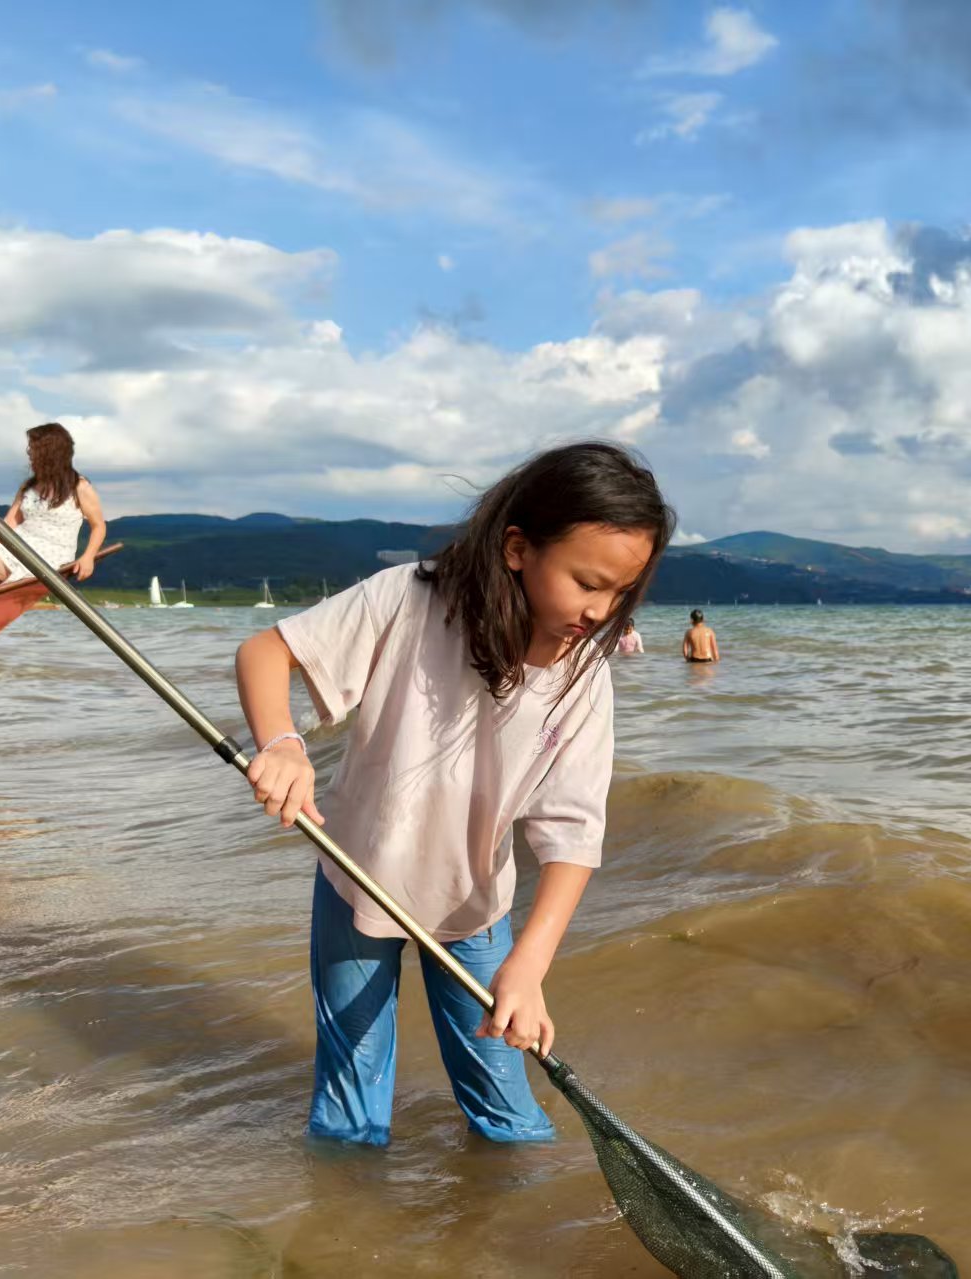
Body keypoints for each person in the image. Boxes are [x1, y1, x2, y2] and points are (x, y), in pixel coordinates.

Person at [235, 441, 673, 1145]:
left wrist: (529, 966)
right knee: (350, 1112)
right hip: (356, 880)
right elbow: (266, 651)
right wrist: (282, 743)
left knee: (510, 1119)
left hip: (474, 904)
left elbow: (573, 830)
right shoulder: (408, 599)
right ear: (518, 548)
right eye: (587, 583)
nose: (600, 611)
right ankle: (347, 1207)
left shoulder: (583, 675)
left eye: (620, 593)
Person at [0, 423, 106, 594]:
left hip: (48, 559)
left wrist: (88, 556)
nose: (29, 453)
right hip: (16, 550)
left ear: (49, 452)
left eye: (33, 448)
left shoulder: (79, 487)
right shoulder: (29, 486)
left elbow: (98, 526)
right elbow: (9, 523)